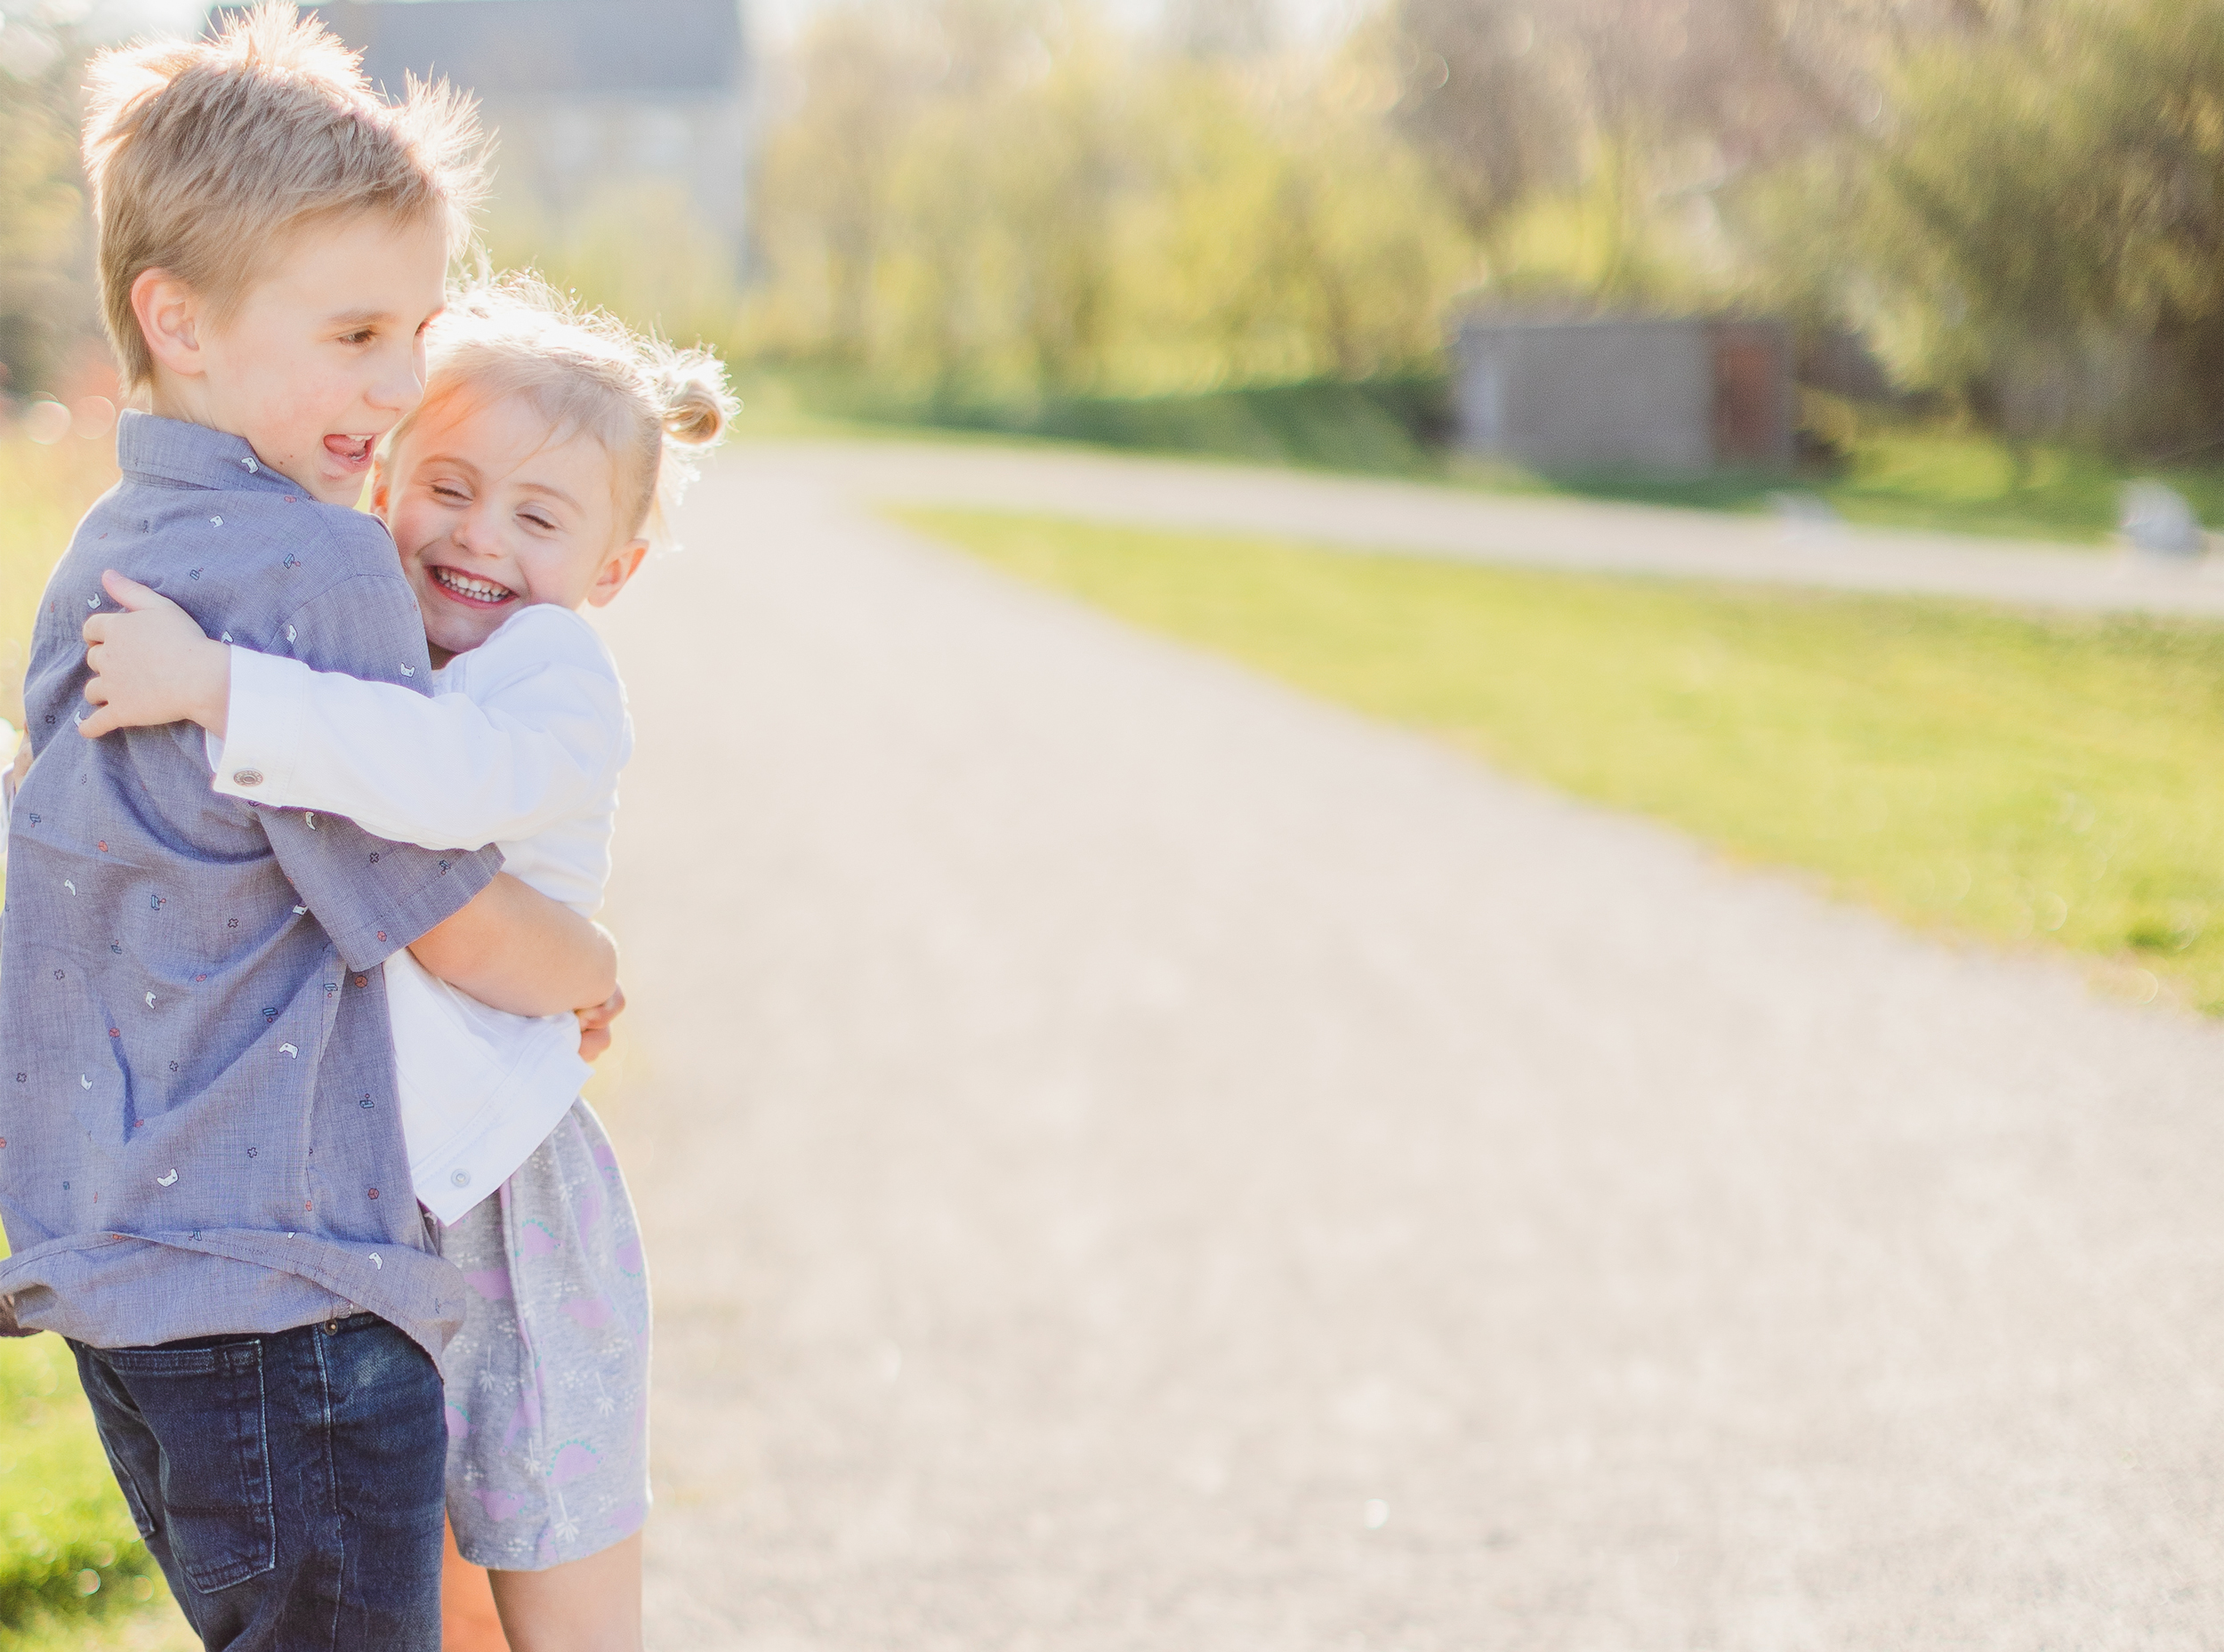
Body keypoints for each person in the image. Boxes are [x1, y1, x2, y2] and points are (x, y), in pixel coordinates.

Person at [0, 10, 620, 1649]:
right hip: (290, 1299)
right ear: (177, 320)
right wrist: (593, 964)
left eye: (414, 331)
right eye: (355, 334)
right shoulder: (317, 571)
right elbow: (445, 914)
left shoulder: (104, 548)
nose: (402, 386)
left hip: (121, 1283)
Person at [78, 274, 735, 1652]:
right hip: (369, 1189)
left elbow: (432, 796)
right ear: (387, 479)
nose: (478, 536)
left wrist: (219, 690)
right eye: (447, 484)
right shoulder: (366, 644)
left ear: (609, 570)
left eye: (538, 518)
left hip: (503, 1192)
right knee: (418, 1558)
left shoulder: (547, 675)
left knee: (554, 1558)